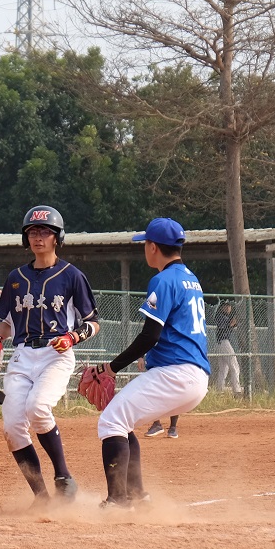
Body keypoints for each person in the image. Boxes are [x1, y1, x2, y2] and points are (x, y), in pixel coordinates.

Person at [82, 217, 210, 509]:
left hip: (176, 374)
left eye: (145, 244)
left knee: (111, 421)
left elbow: (148, 336)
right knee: (122, 422)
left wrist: (109, 368)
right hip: (194, 376)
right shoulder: (190, 278)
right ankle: (137, 496)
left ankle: (117, 501)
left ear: (153, 247)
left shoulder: (163, 279)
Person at [0, 205, 99, 509]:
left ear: (56, 237)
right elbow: (5, 322)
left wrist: (73, 336)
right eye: (33, 232)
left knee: (38, 408)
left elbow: (93, 321)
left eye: (45, 232)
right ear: (27, 239)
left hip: (56, 352)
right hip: (23, 354)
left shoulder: (71, 276)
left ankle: (64, 477)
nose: (38, 237)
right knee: (12, 426)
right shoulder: (15, 278)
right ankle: (40, 496)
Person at [211, 301, 242, 396]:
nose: (228, 308)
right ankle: (236, 390)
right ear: (222, 308)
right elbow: (224, 327)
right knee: (235, 366)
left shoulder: (227, 318)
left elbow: (232, 324)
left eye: (229, 306)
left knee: (223, 369)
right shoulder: (220, 316)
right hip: (223, 343)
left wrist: (234, 322)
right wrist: (231, 324)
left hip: (221, 344)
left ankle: (219, 391)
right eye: (226, 306)